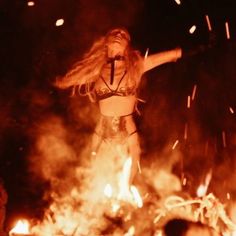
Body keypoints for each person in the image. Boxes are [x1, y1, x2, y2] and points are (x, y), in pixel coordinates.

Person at [55, 27, 182, 198]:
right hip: (103, 126)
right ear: (106, 41)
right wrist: (55, 81)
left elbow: (171, 55)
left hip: (126, 124)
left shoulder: (136, 66)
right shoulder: (97, 69)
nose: (118, 35)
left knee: (133, 155)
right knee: (95, 162)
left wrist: (196, 48)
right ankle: (95, 197)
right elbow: (67, 81)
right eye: (115, 33)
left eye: (123, 35)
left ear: (127, 45)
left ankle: (126, 189)